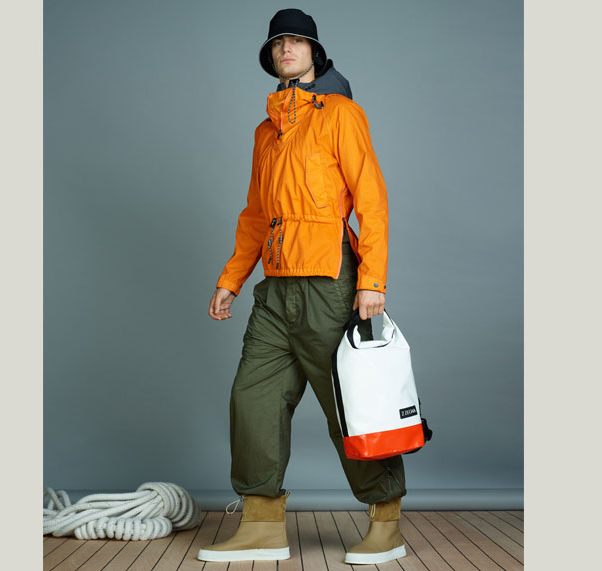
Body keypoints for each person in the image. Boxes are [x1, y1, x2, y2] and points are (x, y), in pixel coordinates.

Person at [198, 9, 407, 565]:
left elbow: (372, 201)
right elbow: (255, 213)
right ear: (270, 58)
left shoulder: (341, 115)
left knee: (350, 403)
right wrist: (232, 279)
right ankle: (262, 523)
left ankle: (386, 522)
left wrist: (372, 280)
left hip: (329, 283)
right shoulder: (265, 132)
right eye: (277, 43)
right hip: (275, 290)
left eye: (296, 41)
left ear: (315, 52)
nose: (285, 48)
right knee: (253, 399)